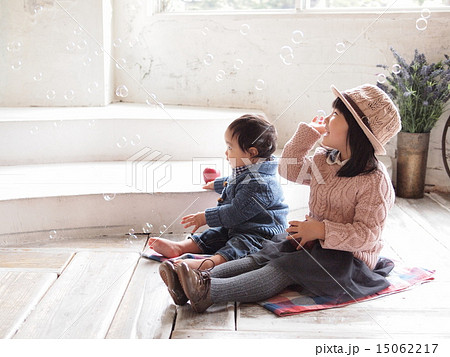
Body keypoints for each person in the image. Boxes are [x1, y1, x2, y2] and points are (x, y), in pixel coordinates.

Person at [159, 83, 402, 312]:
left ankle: (209, 292)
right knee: (262, 256)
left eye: (336, 115)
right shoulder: (325, 160)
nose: (327, 119)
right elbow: (288, 169)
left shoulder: (374, 180)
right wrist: (307, 135)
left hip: (348, 259)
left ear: (358, 130)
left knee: (281, 268)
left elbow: (367, 235)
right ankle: (192, 282)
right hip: (313, 241)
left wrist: (321, 230)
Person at [152, 114, 289, 302]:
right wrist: (217, 184)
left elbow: (235, 212)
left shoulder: (262, 184)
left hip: (260, 233)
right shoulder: (249, 169)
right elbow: (233, 182)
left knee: (237, 246)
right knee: (216, 234)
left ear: (251, 153)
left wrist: (205, 217)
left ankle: (207, 264)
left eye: (230, 147)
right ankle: (181, 247)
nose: (226, 152)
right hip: (239, 226)